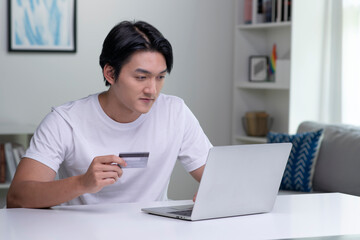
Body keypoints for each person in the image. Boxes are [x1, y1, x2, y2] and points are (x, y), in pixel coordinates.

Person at [6, 20, 212, 208]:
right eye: (141, 77)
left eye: (160, 77)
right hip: (78, 231)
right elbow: (17, 197)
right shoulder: (65, 121)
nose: (152, 89)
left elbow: (216, 178)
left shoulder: (175, 113)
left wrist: (213, 194)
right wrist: (82, 183)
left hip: (152, 229)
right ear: (110, 73)